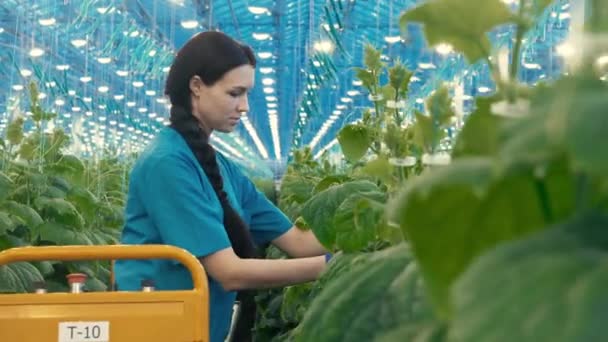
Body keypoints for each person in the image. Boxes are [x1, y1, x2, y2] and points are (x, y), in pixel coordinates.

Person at [113, 31, 329, 342]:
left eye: (246, 95)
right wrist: (329, 266)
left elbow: (298, 242)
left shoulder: (221, 167)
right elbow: (229, 272)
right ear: (197, 86)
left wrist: (379, 225)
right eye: (234, 93)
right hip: (155, 330)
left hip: (198, 328)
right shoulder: (168, 163)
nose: (244, 107)